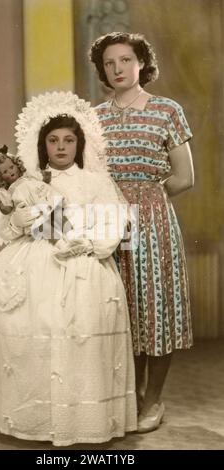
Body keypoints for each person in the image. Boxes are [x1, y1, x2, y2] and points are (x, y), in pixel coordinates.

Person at [0, 91, 137, 446]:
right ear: (43, 146)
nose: (61, 147)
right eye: (53, 141)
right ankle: (33, 418)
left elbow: (116, 228)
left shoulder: (96, 182)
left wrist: (85, 243)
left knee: (79, 332)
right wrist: (20, 221)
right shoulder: (26, 182)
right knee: (29, 336)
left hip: (81, 264)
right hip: (30, 264)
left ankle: (80, 420)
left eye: (69, 140)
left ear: (79, 144)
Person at [89, 32, 194, 433]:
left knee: (155, 309)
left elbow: (184, 178)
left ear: (141, 64)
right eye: (109, 63)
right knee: (123, 309)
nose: (117, 69)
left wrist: (145, 198)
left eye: (125, 60)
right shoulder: (94, 118)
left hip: (152, 220)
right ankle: (128, 397)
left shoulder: (167, 110)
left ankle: (154, 400)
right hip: (107, 221)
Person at [0, 144, 63, 251]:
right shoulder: (7, 191)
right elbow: (8, 207)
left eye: (11, 167)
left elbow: (42, 180)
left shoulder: (27, 177)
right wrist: (4, 209)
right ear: (0, 178)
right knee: (42, 226)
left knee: (59, 214)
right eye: (5, 172)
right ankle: (60, 244)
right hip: (31, 211)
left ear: (17, 165)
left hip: (43, 199)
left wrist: (45, 177)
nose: (11, 172)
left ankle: (70, 237)